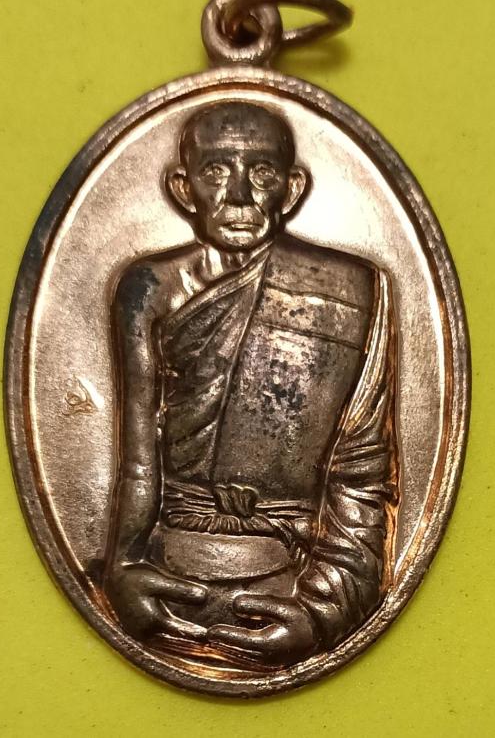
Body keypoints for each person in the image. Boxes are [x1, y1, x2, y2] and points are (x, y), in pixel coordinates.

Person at [104, 101, 398, 669]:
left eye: (261, 173)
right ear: (183, 188)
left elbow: (363, 467)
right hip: (171, 568)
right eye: (216, 171)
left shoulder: (351, 290)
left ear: (292, 188)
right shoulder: (149, 288)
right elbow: (137, 457)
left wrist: (328, 609)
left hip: (296, 573)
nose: (239, 195)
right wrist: (123, 569)